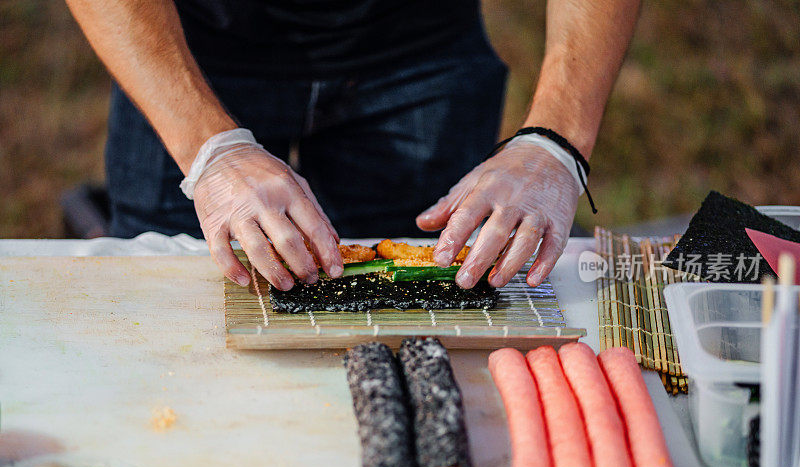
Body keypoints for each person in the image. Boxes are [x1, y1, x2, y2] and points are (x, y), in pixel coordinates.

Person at [66, 0, 640, 290]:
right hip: (188, 47)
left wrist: (555, 141)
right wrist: (209, 149)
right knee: (173, 313)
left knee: (421, 316)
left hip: (420, 48)